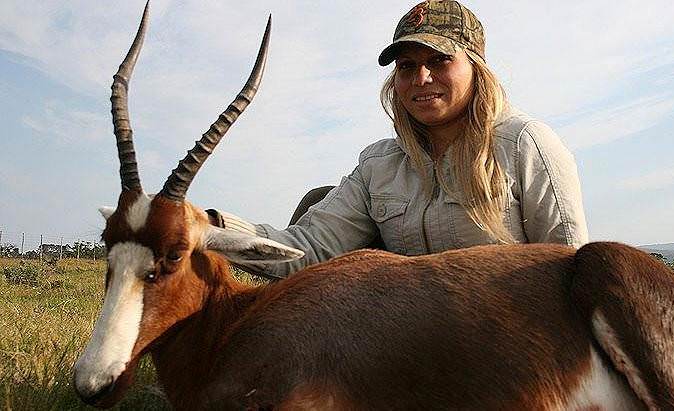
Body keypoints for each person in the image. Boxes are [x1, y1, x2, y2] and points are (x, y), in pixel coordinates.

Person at [208, 0, 588, 279]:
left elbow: (573, 271)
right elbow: (307, 249)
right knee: (317, 199)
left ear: (476, 67)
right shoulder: (378, 165)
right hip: (402, 349)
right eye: (407, 66)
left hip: (506, 348)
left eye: (439, 60)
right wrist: (206, 227)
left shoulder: (526, 144)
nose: (421, 78)